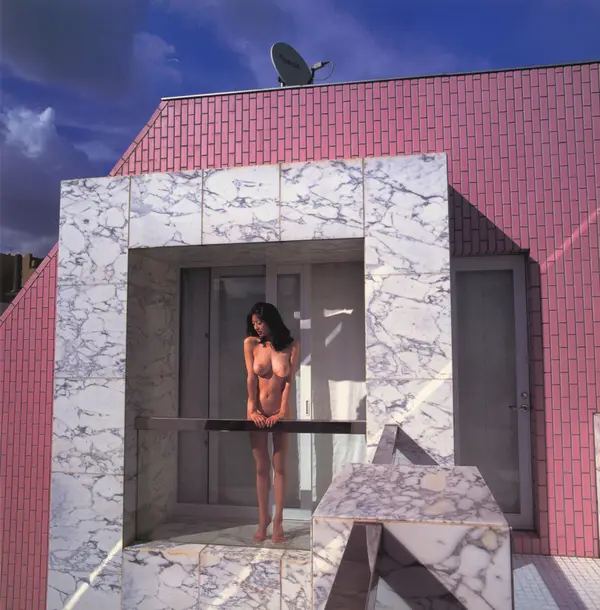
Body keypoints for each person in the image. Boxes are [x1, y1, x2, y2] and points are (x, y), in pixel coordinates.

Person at [244, 302, 300, 543]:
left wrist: (283, 411)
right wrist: (252, 409)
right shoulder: (251, 344)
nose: (257, 327)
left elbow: (289, 382)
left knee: (280, 467)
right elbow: (250, 378)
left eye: (260, 322)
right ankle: (262, 519)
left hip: (280, 412)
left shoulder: (291, 345)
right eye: (254, 323)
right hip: (257, 412)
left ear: (271, 320)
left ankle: (278, 520)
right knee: (261, 467)